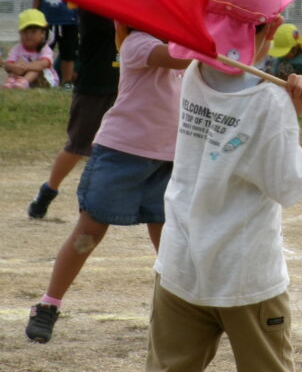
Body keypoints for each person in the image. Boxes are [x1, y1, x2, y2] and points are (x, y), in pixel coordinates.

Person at [146, 0, 302, 372]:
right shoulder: (269, 102)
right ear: (273, 28)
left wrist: (286, 114)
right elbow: (289, 186)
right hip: (247, 277)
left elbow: (233, 141)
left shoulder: (194, 73)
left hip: (181, 266)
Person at [24, 25, 189, 343]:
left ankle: (178, 312)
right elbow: (180, 59)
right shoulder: (138, 42)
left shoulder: (181, 44)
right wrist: (216, 38)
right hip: (120, 154)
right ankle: (48, 305)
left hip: (167, 158)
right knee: (88, 233)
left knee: (167, 241)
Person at [27, 9, 120, 219]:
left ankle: (102, 201)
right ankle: (48, 191)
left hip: (122, 86)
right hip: (93, 88)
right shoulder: (93, 10)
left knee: (119, 147)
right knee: (78, 145)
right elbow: (112, 26)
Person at [2, 9, 59, 89]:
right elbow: (7, 65)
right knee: (17, 64)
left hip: (45, 80)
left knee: (35, 68)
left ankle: (23, 82)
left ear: (42, 33)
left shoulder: (44, 49)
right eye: (25, 32)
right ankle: (12, 82)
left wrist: (25, 67)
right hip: (24, 75)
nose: (29, 35)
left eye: (33, 31)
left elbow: (43, 64)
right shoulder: (17, 49)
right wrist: (15, 67)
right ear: (20, 33)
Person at [33, 0, 79, 88]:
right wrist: (35, 15)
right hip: (46, 20)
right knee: (41, 52)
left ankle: (67, 82)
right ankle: (39, 79)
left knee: (68, 54)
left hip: (69, 20)